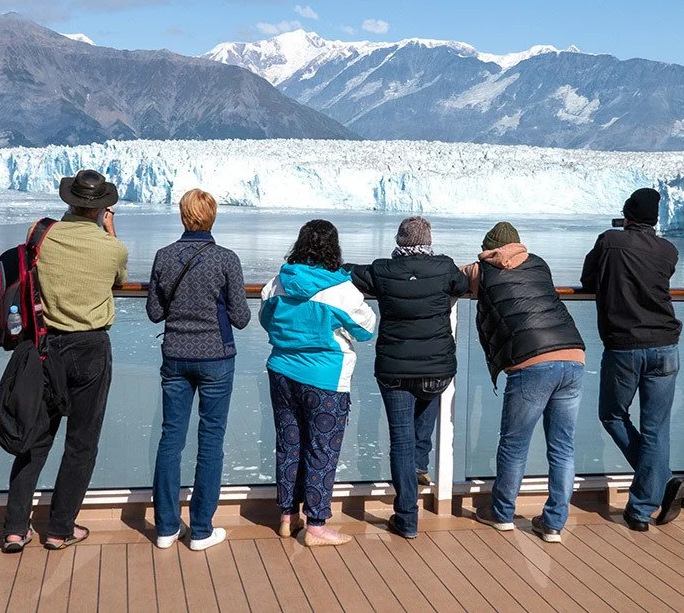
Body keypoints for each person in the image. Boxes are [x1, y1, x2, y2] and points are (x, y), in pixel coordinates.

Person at [2, 169, 129, 551]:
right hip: (90, 349)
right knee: (81, 443)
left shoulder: (40, 234)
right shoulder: (112, 248)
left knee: (34, 438)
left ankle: (14, 528)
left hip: (44, 345)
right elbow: (118, 281)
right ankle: (59, 529)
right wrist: (110, 232)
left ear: (69, 201)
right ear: (103, 207)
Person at [347, 216, 468, 539]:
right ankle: (420, 463)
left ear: (399, 240)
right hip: (436, 369)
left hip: (395, 370)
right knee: (425, 407)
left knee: (400, 440)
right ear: (428, 241)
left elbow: (350, 273)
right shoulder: (444, 268)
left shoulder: (382, 270)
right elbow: (463, 284)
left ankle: (407, 517)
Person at [465, 221, 586, 543]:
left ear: (488, 249)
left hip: (532, 361)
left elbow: (451, 276)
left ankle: (502, 513)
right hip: (573, 355)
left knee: (515, 443)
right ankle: (554, 524)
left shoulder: (481, 271)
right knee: (562, 447)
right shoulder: (539, 263)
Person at [259, 219, 376, 547]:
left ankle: (287, 516)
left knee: (289, 443)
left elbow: (266, 320)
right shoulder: (342, 290)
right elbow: (366, 330)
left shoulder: (280, 281)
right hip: (325, 379)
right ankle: (317, 524)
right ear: (334, 248)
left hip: (282, 371)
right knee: (321, 449)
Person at [146, 188, 249, 551]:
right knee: (211, 442)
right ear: (212, 217)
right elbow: (241, 317)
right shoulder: (226, 259)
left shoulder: (163, 256)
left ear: (182, 216)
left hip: (175, 355)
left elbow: (155, 312)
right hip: (216, 359)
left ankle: (166, 529)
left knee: (170, 439)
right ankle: (201, 529)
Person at [580, 187, 684, 532]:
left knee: (612, 415)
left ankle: (659, 484)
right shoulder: (668, 250)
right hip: (666, 345)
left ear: (626, 215)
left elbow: (588, 280)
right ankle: (643, 505)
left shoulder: (609, 241)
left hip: (625, 345)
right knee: (657, 429)